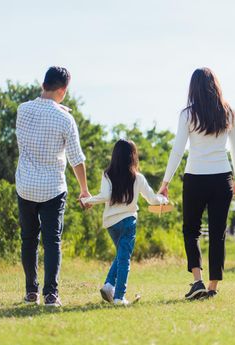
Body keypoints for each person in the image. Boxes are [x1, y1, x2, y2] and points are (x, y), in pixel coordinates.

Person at [159, 67, 235, 300]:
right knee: (218, 233)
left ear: (193, 88)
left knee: (191, 230)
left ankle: (197, 282)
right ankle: (213, 287)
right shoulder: (229, 113)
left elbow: (177, 151)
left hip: (195, 178)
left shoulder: (187, 114)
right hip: (222, 177)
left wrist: (165, 182)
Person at [16, 66, 90, 307]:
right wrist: (84, 190)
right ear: (63, 90)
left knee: (28, 239)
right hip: (52, 188)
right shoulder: (65, 119)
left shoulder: (22, 110)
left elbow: (38, 122)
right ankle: (50, 294)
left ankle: (30, 292)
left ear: (43, 84)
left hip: (25, 185)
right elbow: (76, 158)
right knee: (52, 241)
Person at [81, 139, 168, 306]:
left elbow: (105, 195)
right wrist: (163, 198)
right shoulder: (138, 178)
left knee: (121, 255)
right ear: (133, 156)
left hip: (111, 224)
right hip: (128, 221)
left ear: (115, 156)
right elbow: (152, 200)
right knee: (124, 259)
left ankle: (108, 286)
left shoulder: (107, 174)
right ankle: (119, 297)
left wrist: (88, 200)